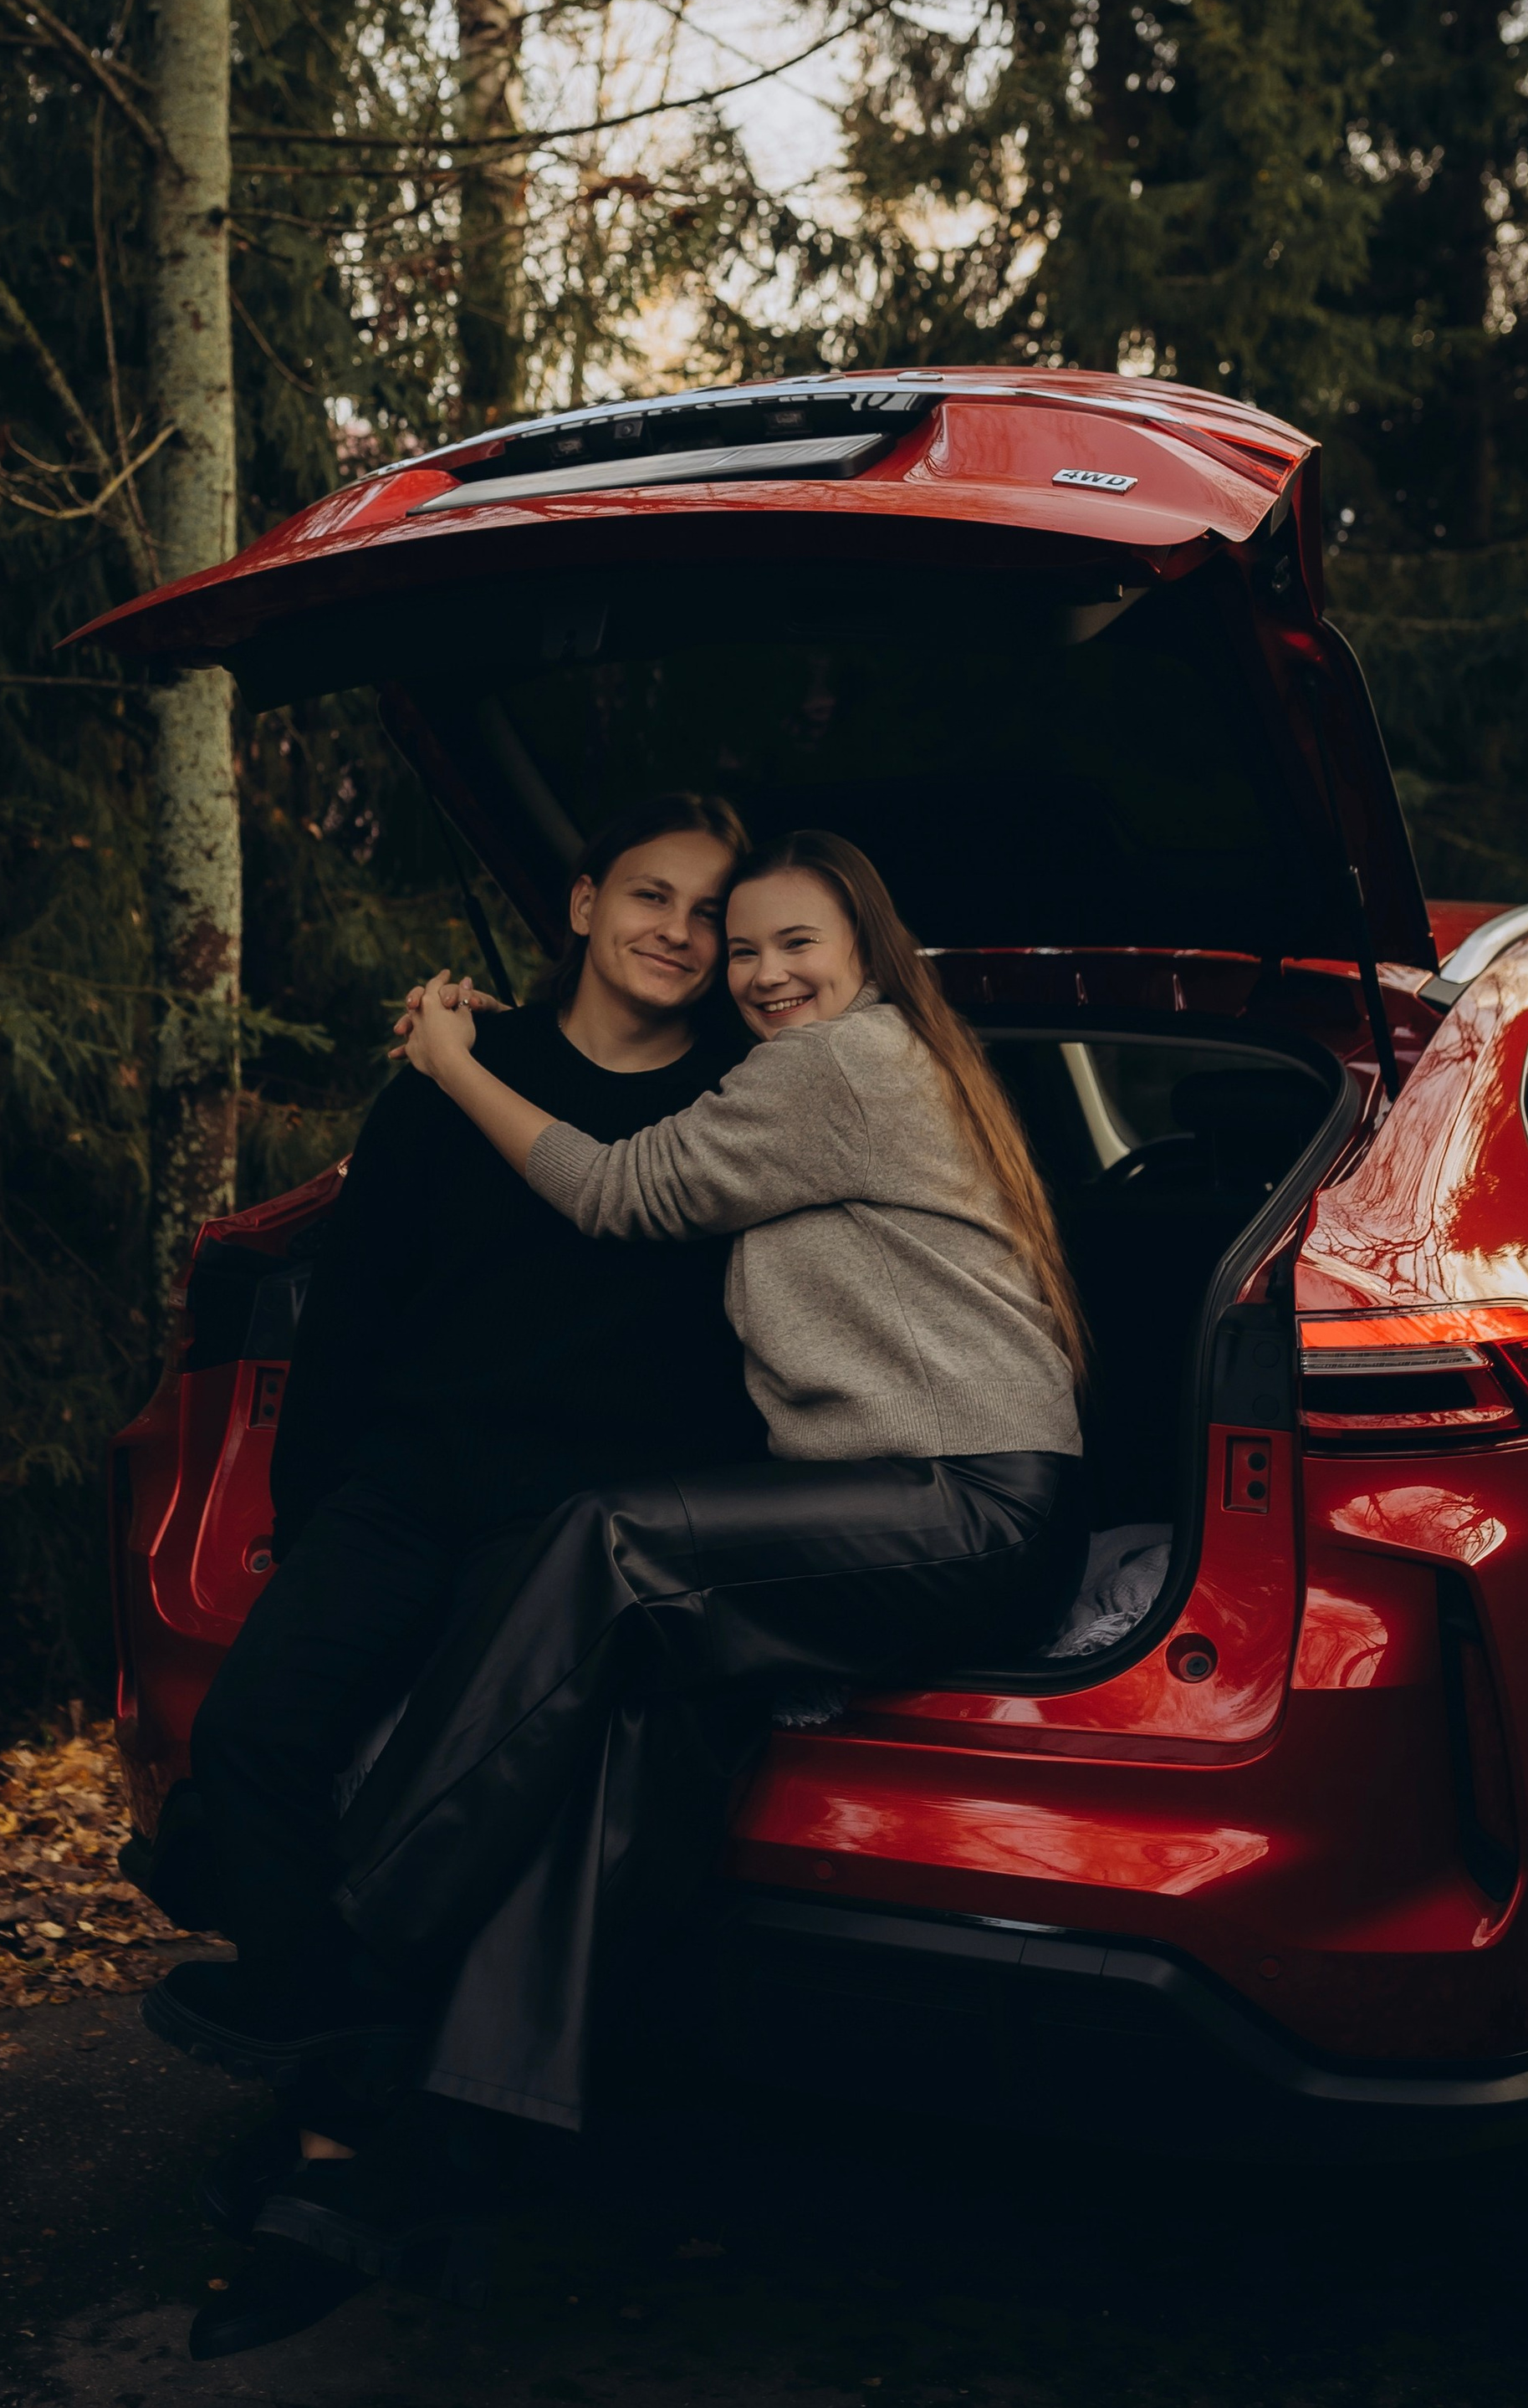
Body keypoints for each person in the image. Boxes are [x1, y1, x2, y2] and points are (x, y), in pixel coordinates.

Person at [308, 829, 1084, 2195]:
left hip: (968, 1507)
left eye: (800, 946)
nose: (766, 974)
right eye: (746, 950)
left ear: (865, 956)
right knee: (636, 1706)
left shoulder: (840, 1062)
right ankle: (467, 2112)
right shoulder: (852, 1063)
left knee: (610, 1540)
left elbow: (619, 1190)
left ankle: (368, 1924)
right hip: (907, 1503)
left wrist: (453, 1065)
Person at [144, 793, 766, 2356]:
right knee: (254, 1739)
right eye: (651, 894)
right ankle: (349, 2077)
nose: (677, 933)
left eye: (707, 914)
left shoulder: (742, 1097)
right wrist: (307, 1508)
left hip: (580, 1531)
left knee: (460, 1805)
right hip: (412, 1488)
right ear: (579, 903)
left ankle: (344, 2151)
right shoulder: (447, 1082)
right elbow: (355, 1309)